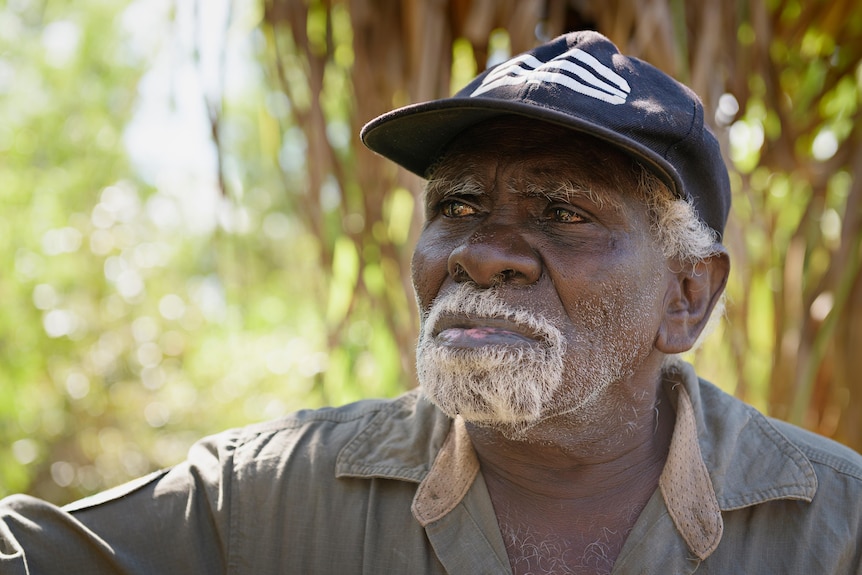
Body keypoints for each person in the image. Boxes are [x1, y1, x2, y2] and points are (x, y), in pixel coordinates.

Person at [1, 30, 861, 575]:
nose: (481, 251)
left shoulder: (834, 530)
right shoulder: (270, 502)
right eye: (457, 207)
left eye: (561, 212)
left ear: (688, 296)